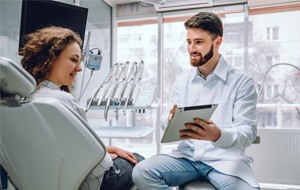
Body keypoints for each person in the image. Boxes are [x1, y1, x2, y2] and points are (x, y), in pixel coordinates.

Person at [132, 12, 260, 190]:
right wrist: (169, 119)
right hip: (188, 158)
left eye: (199, 42)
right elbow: (164, 120)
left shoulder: (242, 82)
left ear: (217, 42)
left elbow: (248, 132)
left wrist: (217, 135)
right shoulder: (182, 81)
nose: (192, 48)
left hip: (224, 161)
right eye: (189, 42)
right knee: (142, 172)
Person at [19, 26, 144, 190]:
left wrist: (106, 149)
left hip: (49, 181)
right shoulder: (62, 101)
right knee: (139, 160)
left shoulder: (26, 99)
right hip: (89, 182)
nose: (79, 68)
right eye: (73, 60)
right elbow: (98, 166)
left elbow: (60, 147)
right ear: (50, 58)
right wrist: (106, 156)